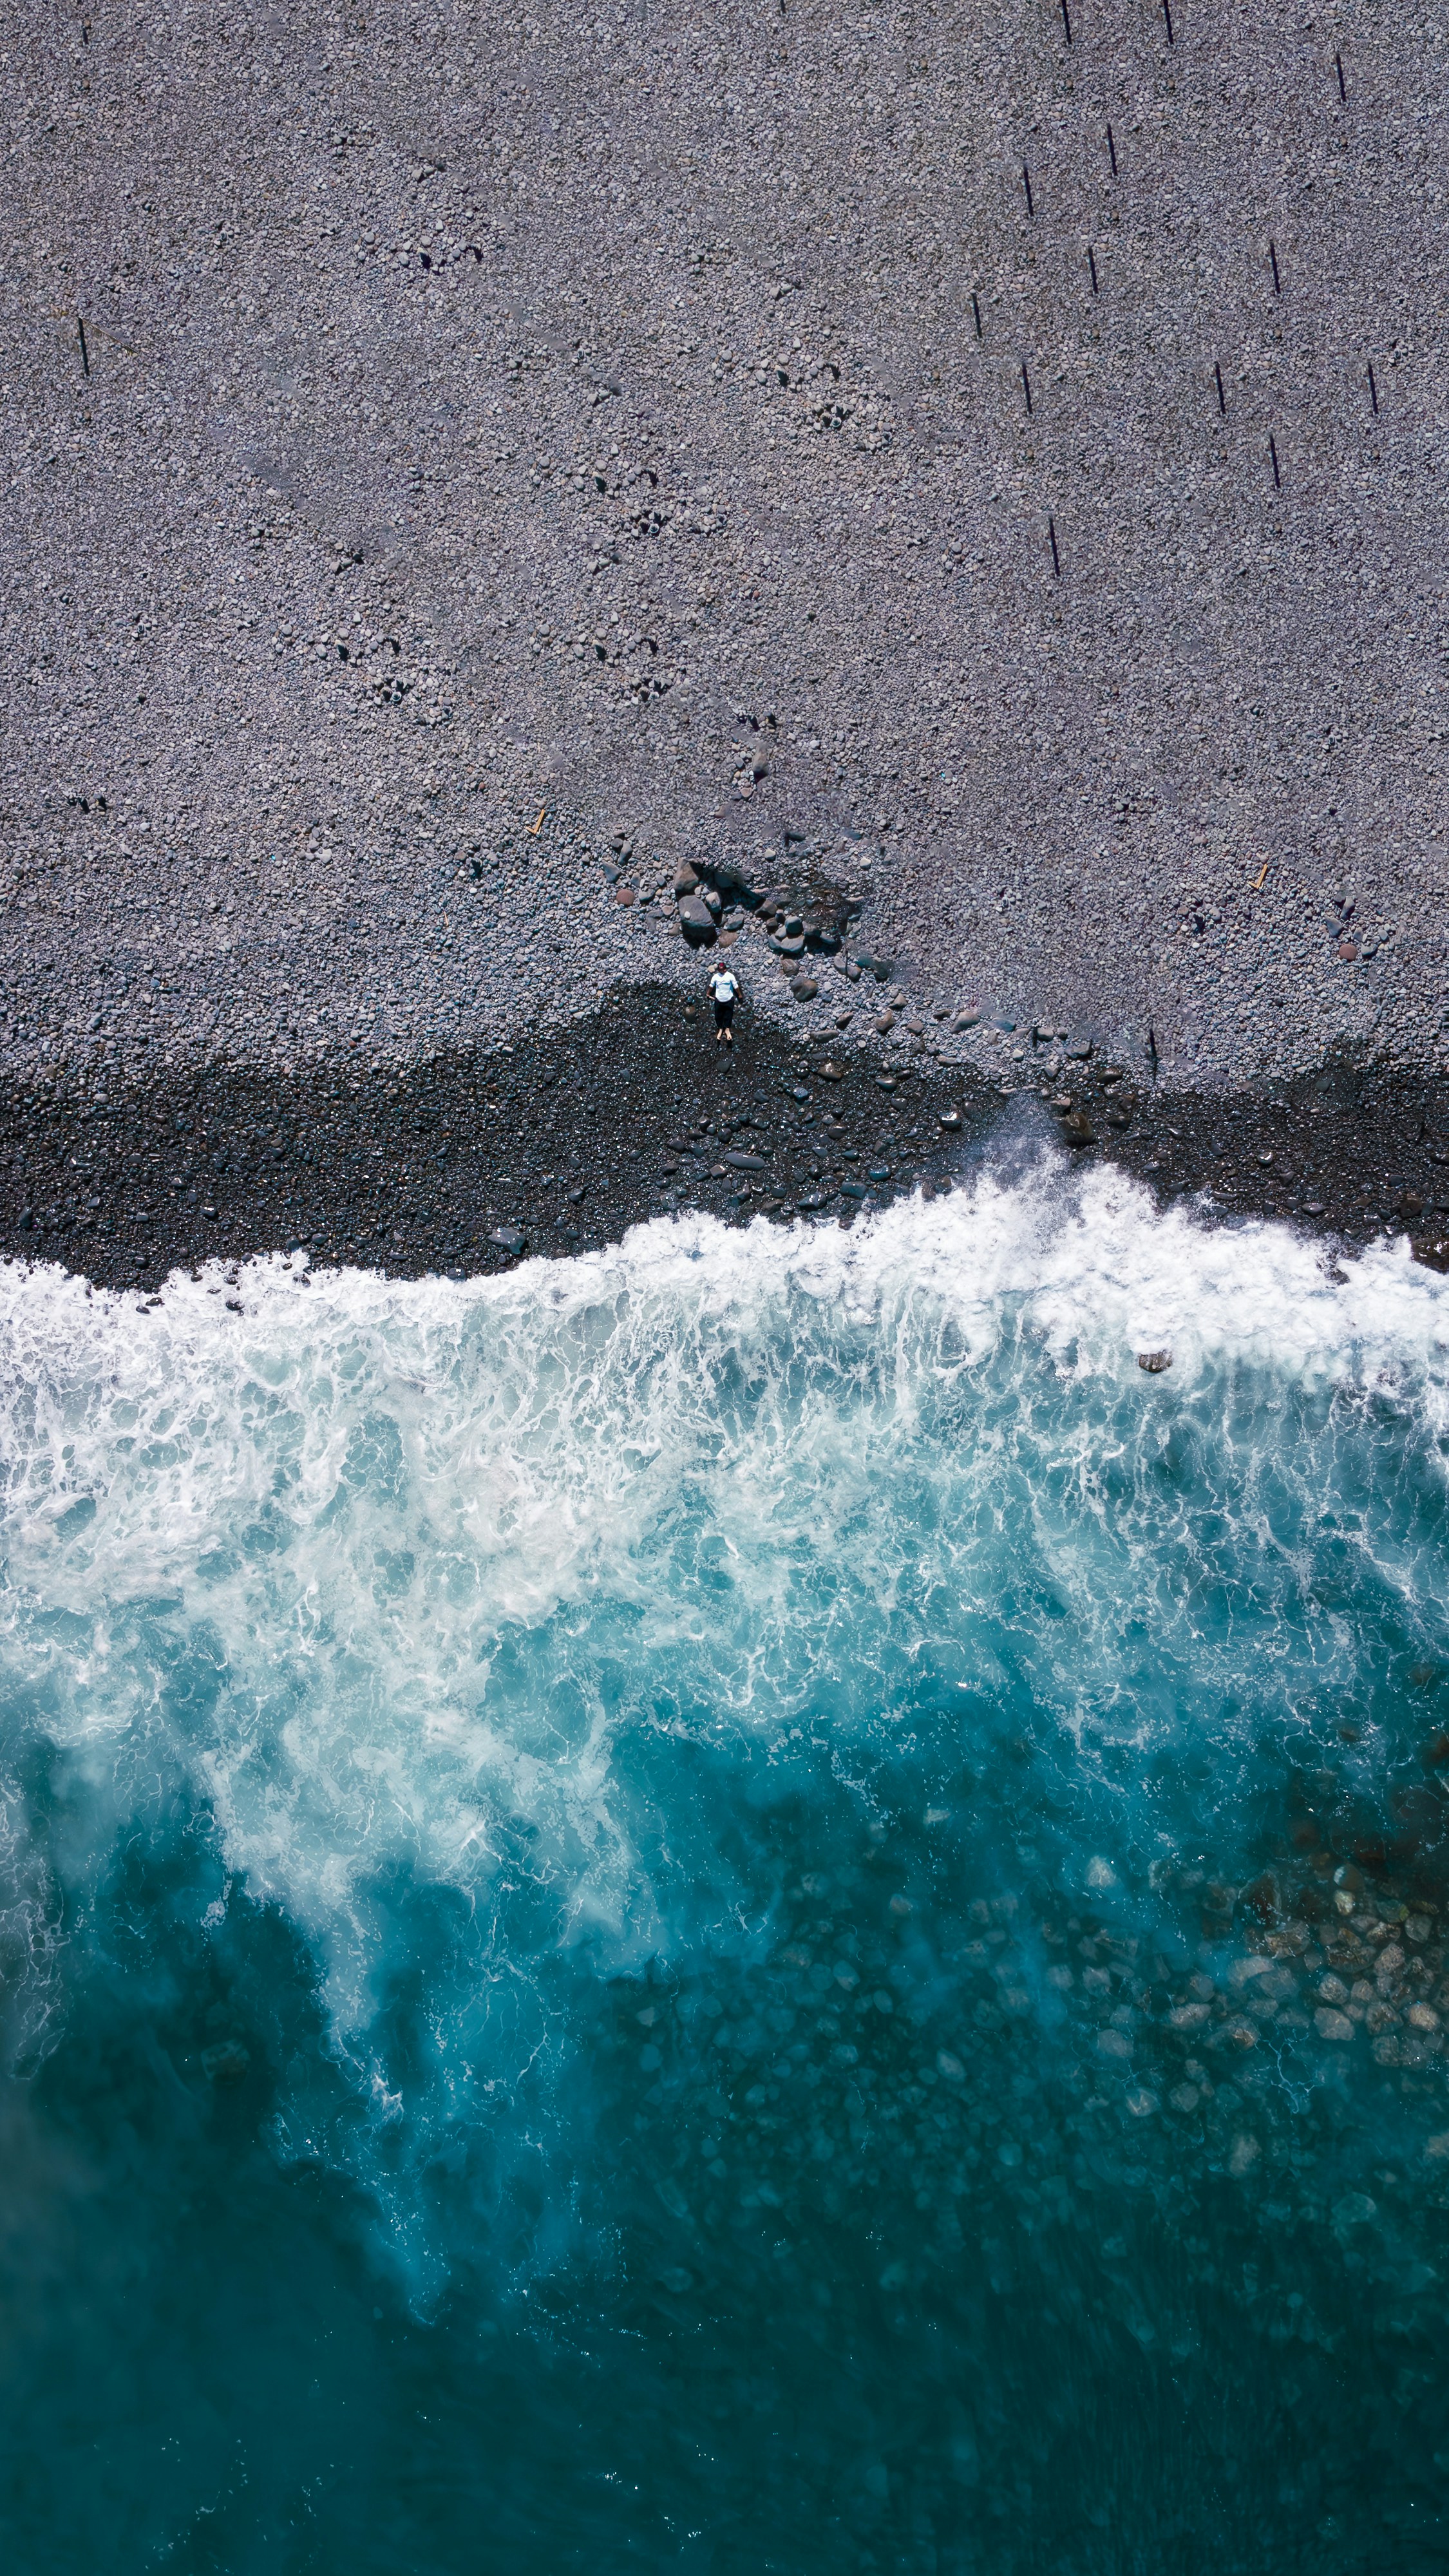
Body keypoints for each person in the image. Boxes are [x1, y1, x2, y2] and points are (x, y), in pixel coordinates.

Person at [708, 958, 739, 1045]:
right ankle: (721, 1029)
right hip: (719, 999)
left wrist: (739, 995)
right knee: (718, 1015)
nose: (724, 971)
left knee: (729, 1014)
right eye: (722, 970)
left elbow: (736, 987)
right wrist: (708, 993)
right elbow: (711, 986)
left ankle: (727, 1029)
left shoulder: (730, 976)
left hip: (729, 999)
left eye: (725, 969)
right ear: (719, 970)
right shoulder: (716, 977)